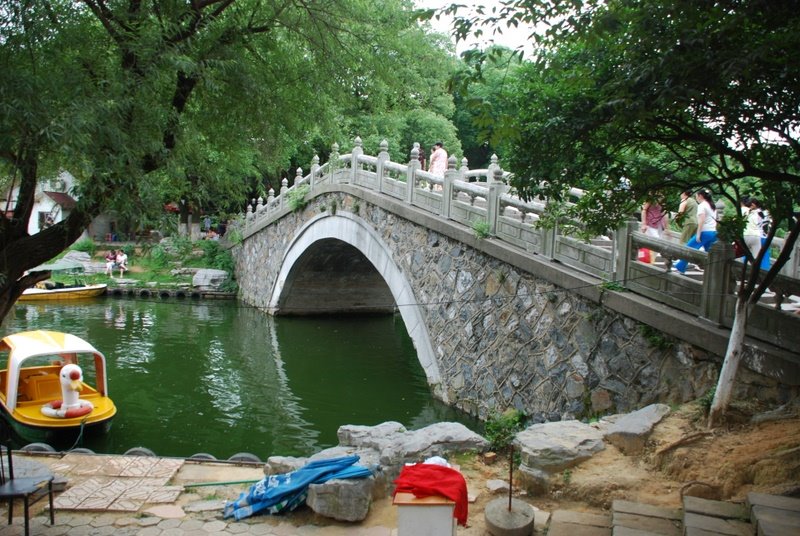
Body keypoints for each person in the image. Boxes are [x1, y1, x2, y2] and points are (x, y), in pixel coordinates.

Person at [675, 190, 718, 274]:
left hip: (704, 232)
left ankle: (680, 268)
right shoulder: (712, 205)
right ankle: (713, 271)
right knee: (711, 255)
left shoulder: (702, 205)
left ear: (700, 196)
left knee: (688, 249)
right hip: (713, 232)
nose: (696, 198)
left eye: (696, 196)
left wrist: (698, 234)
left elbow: (701, 221)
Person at [743, 198, 763, 262]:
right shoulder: (760, 213)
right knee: (756, 258)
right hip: (756, 236)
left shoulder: (746, 212)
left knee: (743, 255)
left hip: (745, 235)